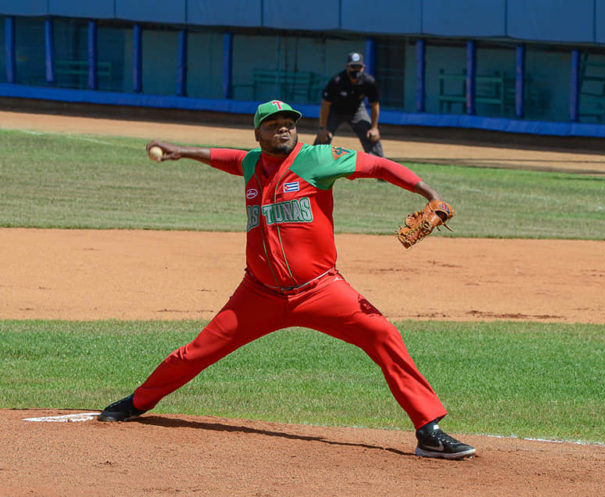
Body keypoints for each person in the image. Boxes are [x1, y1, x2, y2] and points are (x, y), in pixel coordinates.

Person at [98, 100, 475, 460]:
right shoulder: (251, 164)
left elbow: (377, 166)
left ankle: (429, 431)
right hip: (257, 295)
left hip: (321, 290)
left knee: (383, 335)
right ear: (258, 135)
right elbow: (223, 156)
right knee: (197, 352)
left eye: (289, 124)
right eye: (273, 125)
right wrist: (182, 150)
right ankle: (138, 402)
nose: (283, 129)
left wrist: (430, 194)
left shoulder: (317, 159)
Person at [314, 52, 384, 157]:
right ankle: (312, 161)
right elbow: (325, 104)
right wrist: (322, 128)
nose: (355, 70)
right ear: (347, 67)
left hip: (357, 110)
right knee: (323, 136)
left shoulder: (369, 82)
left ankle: (379, 165)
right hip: (335, 110)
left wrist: (374, 127)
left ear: (363, 67)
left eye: (358, 67)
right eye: (353, 67)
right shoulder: (337, 81)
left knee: (371, 135)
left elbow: (375, 105)